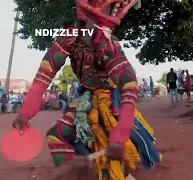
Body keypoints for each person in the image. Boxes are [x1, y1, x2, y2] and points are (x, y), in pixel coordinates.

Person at [11, 1, 162, 179]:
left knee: (98, 149)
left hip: (108, 103)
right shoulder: (69, 37)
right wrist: (26, 112)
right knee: (58, 136)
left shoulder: (107, 45)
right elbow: (44, 75)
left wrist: (120, 133)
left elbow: (129, 85)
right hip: (87, 98)